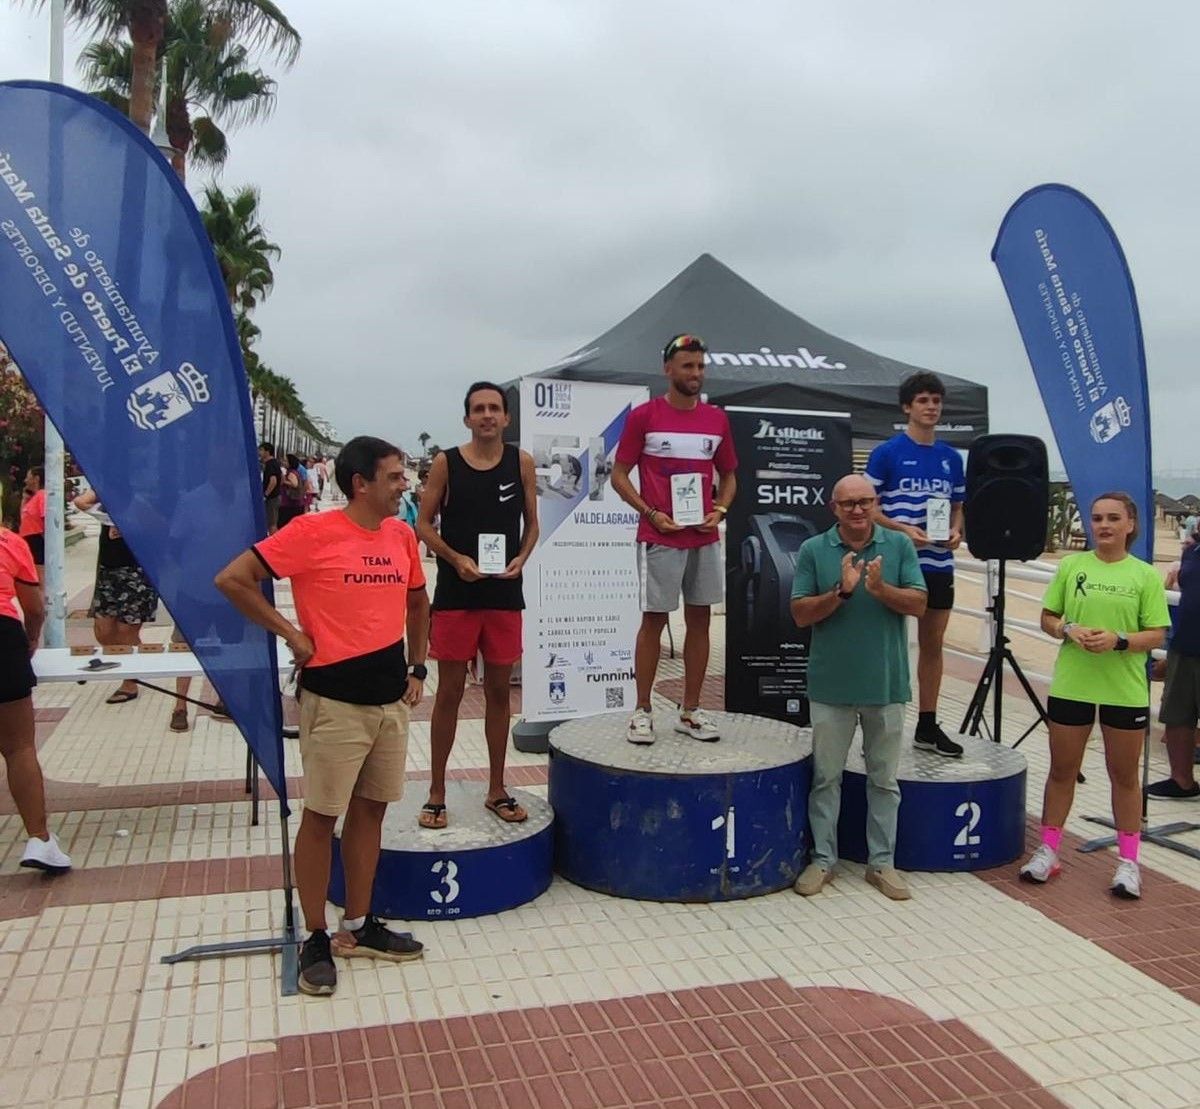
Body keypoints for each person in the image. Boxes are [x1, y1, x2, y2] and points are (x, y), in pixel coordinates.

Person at [215, 436, 430, 997]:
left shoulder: (401, 534)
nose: (403, 485)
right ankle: (314, 933)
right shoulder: (311, 533)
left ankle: (358, 925)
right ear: (360, 483)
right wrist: (289, 632)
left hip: (390, 703)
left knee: (371, 813)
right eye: (394, 476)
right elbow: (232, 579)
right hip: (333, 702)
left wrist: (419, 668)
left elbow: (417, 601)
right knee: (321, 816)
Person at [1019, 492, 1169, 899]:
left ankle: (1128, 862)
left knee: (1124, 776)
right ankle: (1049, 850)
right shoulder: (1072, 566)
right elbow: (1048, 618)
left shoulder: (1145, 576)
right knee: (1062, 770)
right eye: (1097, 518)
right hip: (1073, 685)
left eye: (1112, 518)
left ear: (1130, 525)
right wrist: (1068, 630)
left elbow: (1156, 633)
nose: (1103, 525)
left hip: (1124, 691)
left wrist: (1120, 640)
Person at [790, 474, 927, 902]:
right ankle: (823, 860)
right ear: (834, 507)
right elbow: (799, 613)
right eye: (848, 503)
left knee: (884, 780)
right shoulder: (815, 550)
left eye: (865, 502)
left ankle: (881, 862)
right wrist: (842, 593)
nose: (857, 510)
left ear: (875, 504)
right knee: (826, 778)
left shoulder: (899, 546)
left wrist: (880, 589)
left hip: (885, 684)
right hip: (831, 685)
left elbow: (919, 604)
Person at [416, 383, 538, 828]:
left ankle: (497, 788)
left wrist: (522, 559)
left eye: (494, 409)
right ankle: (435, 791)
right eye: (478, 409)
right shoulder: (446, 462)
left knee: (499, 694)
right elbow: (424, 526)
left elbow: (532, 526)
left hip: (504, 593)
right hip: (457, 594)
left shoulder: (520, 462)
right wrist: (455, 559)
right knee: (448, 693)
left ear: (507, 418)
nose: (487, 415)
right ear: (467, 418)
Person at [611, 334, 738, 745]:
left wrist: (719, 511)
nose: (696, 374)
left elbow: (730, 476)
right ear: (668, 370)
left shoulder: (717, 420)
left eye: (700, 366)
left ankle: (691, 710)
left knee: (700, 620)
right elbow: (618, 474)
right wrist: (650, 513)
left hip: (702, 538)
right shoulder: (644, 417)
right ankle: (642, 711)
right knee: (654, 620)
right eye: (687, 366)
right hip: (659, 535)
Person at [866, 372, 965, 758]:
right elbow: (868, 507)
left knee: (933, 645)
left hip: (938, 563)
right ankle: (877, 726)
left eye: (936, 401)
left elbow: (958, 506)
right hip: (896, 561)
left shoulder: (951, 458)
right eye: (923, 400)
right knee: (886, 642)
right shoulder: (888, 452)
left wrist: (956, 532)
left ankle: (927, 724)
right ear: (908, 406)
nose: (931, 407)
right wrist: (901, 528)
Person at [0, 524, 71, 873]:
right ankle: (40, 839)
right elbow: (35, 607)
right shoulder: (8, 541)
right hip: (1, 634)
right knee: (18, 748)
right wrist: (30, 639)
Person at [74, 488, 159, 704]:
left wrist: (129, 527)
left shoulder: (142, 499)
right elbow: (80, 502)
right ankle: (139, 659)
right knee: (103, 631)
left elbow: (159, 527)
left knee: (125, 631)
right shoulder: (104, 497)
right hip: (108, 571)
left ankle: (130, 682)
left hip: (136, 571)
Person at [1146, 528, 1200, 800]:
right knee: (1177, 715)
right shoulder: (1191, 551)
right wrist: (1169, 652)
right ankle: (1182, 781)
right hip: (1184, 646)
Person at [18, 466, 45, 586]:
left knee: (39, 577)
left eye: (28, 477)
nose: (25, 481)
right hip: (28, 540)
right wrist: (25, 499)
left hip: (36, 539)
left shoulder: (42, 495)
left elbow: (46, 518)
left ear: (36, 478)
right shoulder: (33, 498)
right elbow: (23, 518)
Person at [277, 454, 307, 530]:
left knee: (284, 526)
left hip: (290, 505)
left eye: (285, 460)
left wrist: (284, 481)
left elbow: (295, 484)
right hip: (293, 505)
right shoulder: (293, 472)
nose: (283, 462)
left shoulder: (291, 473)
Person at [259, 443, 282, 535]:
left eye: (261, 450)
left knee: (271, 524)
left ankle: (274, 545)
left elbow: (273, 481)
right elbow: (282, 478)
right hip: (276, 496)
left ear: (267, 452)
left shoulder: (270, 464)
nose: (259, 452)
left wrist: (266, 495)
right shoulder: (275, 462)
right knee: (273, 522)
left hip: (271, 499)